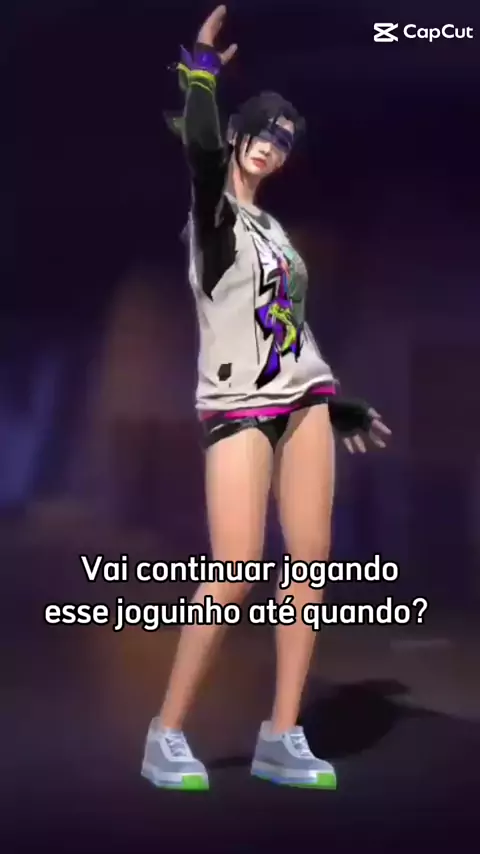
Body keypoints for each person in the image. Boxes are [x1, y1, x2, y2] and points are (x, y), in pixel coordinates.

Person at [142, 5, 391, 791]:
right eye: (263, 132)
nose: (271, 146)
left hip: (303, 399)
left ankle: (282, 735)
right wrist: (202, 73)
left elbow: (287, 326)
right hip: (237, 405)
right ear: (239, 134)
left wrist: (331, 399)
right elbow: (199, 146)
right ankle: (165, 732)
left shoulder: (276, 232)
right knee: (237, 566)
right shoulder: (214, 213)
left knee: (310, 565)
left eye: (284, 140)